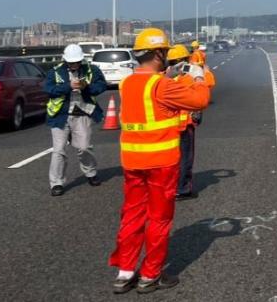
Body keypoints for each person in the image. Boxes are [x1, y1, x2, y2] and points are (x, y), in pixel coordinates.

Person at [109, 29, 210, 294]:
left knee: (131, 216)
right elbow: (200, 99)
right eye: (165, 53)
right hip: (161, 163)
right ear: (157, 54)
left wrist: (167, 77)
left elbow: (148, 94)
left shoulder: (127, 83)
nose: (167, 57)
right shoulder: (163, 86)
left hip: (132, 161)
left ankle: (125, 273)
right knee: (158, 218)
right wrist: (197, 75)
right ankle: (150, 275)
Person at [43, 43, 107, 196]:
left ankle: (91, 173)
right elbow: (48, 89)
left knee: (84, 147)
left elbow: (102, 85)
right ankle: (56, 183)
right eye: (71, 62)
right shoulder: (55, 72)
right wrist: (68, 86)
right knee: (58, 150)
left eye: (76, 62)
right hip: (60, 115)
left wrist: (87, 87)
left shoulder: (91, 70)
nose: (74, 65)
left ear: (81, 60)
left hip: (83, 111)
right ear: (65, 60)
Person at [165, 44, 204, 200]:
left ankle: (168, 186)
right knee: (185, 157)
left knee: (169, 158)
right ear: (185, 59)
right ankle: (182, 188)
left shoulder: (163, 77)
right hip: (184, 124)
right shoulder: (188, 78)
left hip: (165, 125)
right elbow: (199, 97)